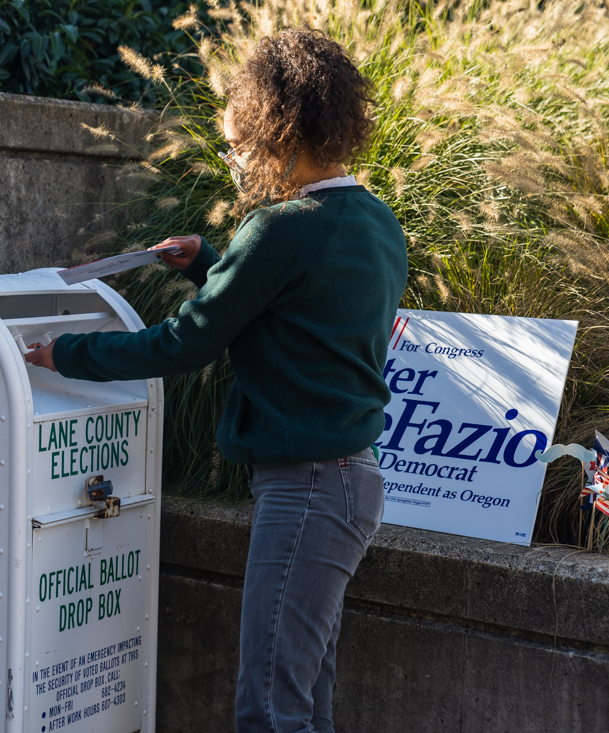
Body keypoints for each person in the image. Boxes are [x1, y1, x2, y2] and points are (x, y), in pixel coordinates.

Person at [25, 28, 408, 733]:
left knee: (267, 706)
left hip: (306, 488)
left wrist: (64, 354)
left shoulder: (280, 228)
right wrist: (209, 261)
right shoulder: (378, 222)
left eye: (238, 144)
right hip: (352, 482)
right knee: (303, 700)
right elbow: (294, 315)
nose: (234, 160)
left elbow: (183, 342)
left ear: (279, 130)